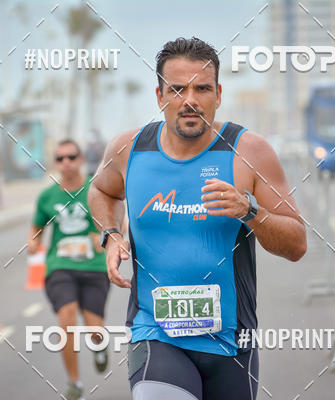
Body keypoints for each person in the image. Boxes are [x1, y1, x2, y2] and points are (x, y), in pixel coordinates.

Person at [87, 37, 307, 400]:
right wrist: (110, 234)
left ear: (218, 95)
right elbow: (100, 190)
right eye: (177, 89)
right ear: (159, 97)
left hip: (231, 342)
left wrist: (250, 210)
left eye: (202, 88)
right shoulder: (129, 150)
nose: (190, 100)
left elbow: (296, 244)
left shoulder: (249, 152)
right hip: (155, 333)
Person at [28, 139, 110, 400]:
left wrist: (105, 237)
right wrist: (34, 241)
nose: (66, 163)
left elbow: (116, 220)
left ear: (81, 158)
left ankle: (99, 346)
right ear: (55, 163)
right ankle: (75, 383)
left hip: (94, 267)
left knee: (95, 329)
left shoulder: (97, 189)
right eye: (60, 158)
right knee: (67, 318)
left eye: (71, 157)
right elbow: (37, 226)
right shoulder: (47, 196)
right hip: (60, 266)